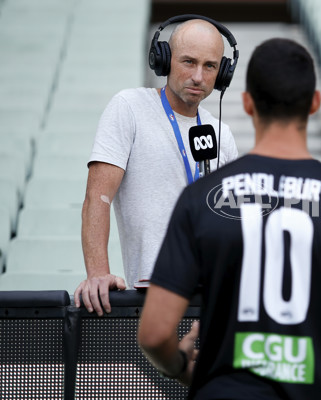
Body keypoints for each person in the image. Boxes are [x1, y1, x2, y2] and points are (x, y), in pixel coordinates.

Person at [137, 38, 321, 399]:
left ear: (248, 103)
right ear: (315, 103)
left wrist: (181, 367)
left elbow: (155, 334)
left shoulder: (200, 199)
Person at [74, 17, 239, 315]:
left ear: (224, 72)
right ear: (163, 60)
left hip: (214, 300)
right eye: (188, 62)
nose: (198, 77)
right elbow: (97, 198)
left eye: (210, 66)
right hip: (151, 296)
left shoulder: (221, 134)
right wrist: (98, 273)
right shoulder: (129, 108)